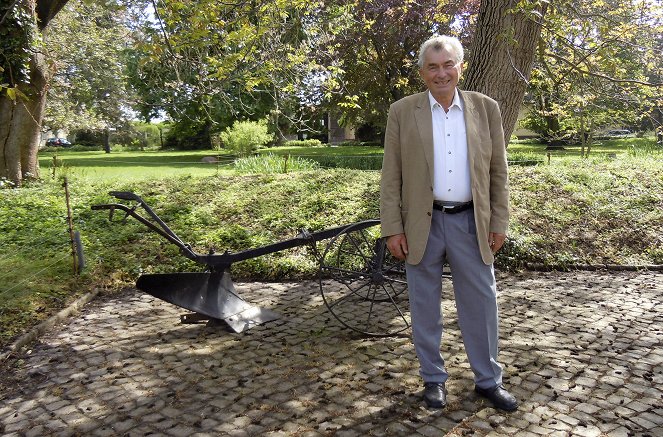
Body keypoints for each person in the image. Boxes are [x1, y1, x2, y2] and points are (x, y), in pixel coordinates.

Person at [380, 35, 517, 411]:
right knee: (425, 306)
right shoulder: (403, 111)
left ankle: (488, 381)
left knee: (481, 303)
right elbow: (391, 175)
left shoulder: (485, 109)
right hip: (421, 224)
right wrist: (392, 227)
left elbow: (497, 172)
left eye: (448, 65)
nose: (441, 73)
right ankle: (433, 380)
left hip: (472, 222)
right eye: (433, 67)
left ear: (461, 67)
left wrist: (499, 221)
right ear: (422, 73)